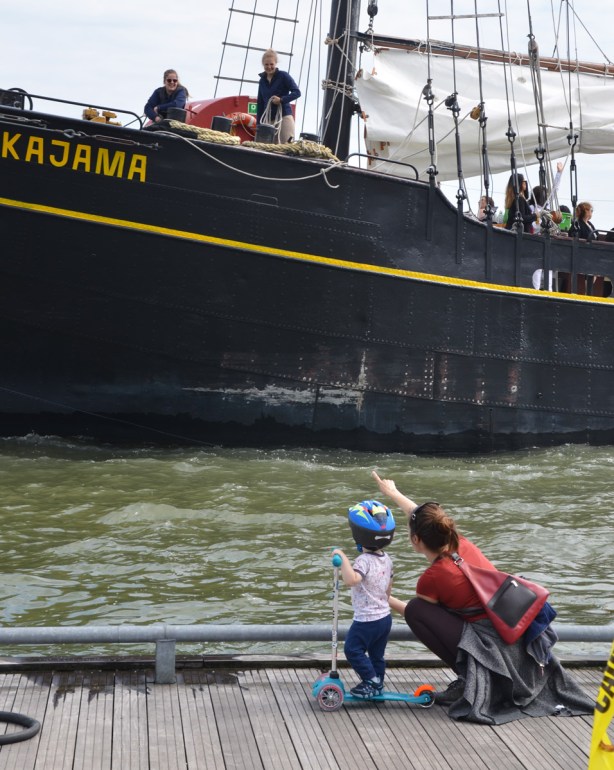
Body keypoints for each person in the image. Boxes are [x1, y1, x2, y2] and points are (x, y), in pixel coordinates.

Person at [371, 470, 595, 724]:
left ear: (415, 540)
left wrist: (382, 596)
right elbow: (422, 519)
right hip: (512, 632)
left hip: (492, 646)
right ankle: (470, 674)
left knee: (416, 610)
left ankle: (471, 676)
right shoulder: (460, 543)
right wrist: (393, 493)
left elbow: (424, 613)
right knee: (425, 607)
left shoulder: (432, 579)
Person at [331, 500, 395, 699]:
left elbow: (351, 580)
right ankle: (378, 682)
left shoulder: (363, 561)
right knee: (377, 654)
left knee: (352, 650)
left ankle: (371, 681)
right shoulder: (387, 559)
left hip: (367, 620)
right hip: (384, 617)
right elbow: (388, 588)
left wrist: (343, 558)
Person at [256, 49, 301, 144]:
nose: (269, 67)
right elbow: (260, 103)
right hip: (267, 120)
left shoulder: (283, 76)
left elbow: (297, 92)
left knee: (286, 147)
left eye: (271, 64)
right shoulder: (262, 81)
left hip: (284, 117)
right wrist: (258, 125)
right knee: (264, 148)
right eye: (266, 65)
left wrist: (281, 100)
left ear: (275, 63)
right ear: (263, 64)